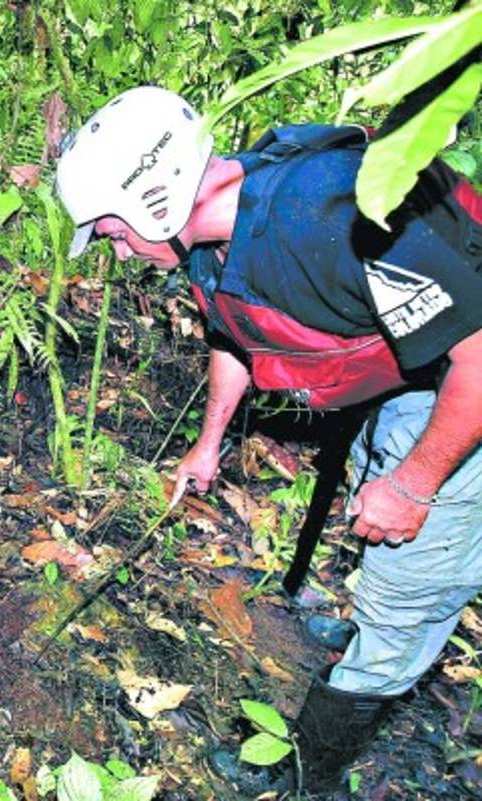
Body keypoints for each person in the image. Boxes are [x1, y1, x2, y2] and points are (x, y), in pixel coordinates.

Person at [55, 85, 482, 795]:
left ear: (154, 203)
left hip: (467, 378)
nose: (121, 252)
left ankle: (310, 769)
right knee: (378, 489)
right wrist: (209, 443)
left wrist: (413, 486)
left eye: (114, 233)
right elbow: (235, 332)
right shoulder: (213, 233)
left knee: (410, 580)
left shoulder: (335, 216)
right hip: (418, 371)